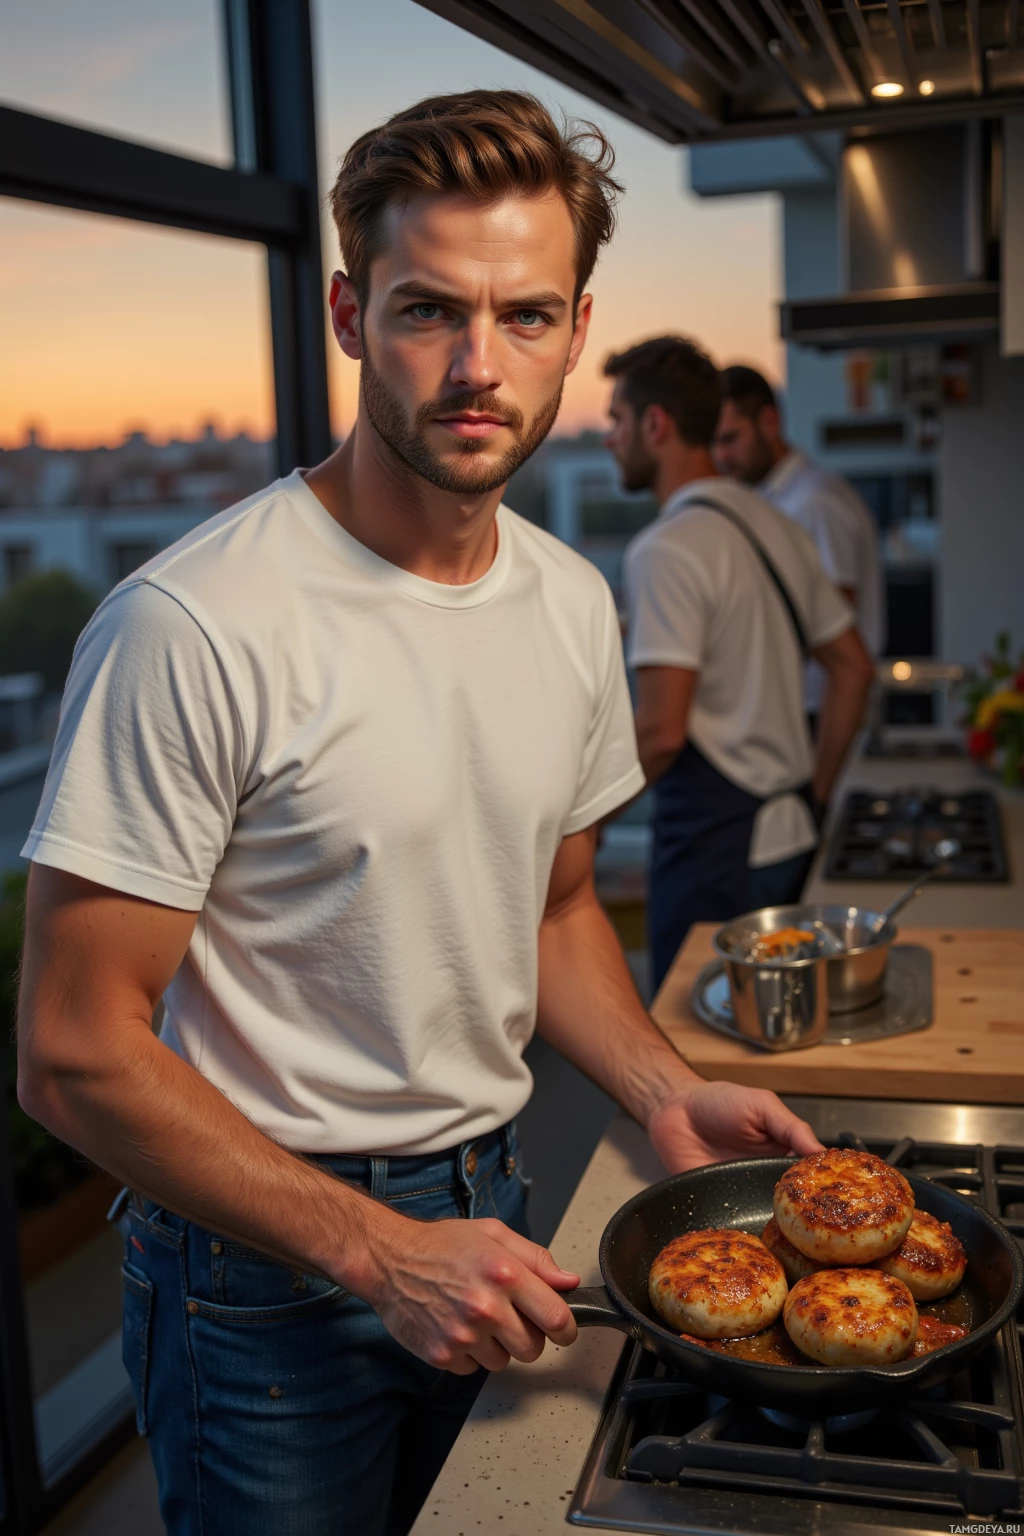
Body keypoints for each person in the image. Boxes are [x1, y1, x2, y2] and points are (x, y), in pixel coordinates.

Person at [16, 95, 821, 1536]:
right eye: (425, 310)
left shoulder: (576, 604)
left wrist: (656, 1089)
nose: (475, 367)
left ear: (579, 330)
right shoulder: (194, 626)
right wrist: (381, 1254)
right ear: (345, 311)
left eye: (521, 317)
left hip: (493, 1209)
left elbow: (558, 910)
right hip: (258, 1274)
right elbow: (73, 1055)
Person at [605, 337, 874, 989]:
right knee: (767, 1036)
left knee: (696, 1058)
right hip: (789, 835)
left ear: (656, 424)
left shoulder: (665, 550)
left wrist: (575, 821)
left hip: (716, 857)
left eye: (616, 419)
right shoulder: (777, 525)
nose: (609, 437)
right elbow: (853, 667)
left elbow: (663, 731)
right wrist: (818, 786)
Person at [713, 364, 885, 729]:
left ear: (769, 423)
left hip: (822, 712)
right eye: (714, 443)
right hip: (798, 710)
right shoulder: (774, 498)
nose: (721, 457)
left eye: (730, 438)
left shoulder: (815, 503)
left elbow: (836, 618)